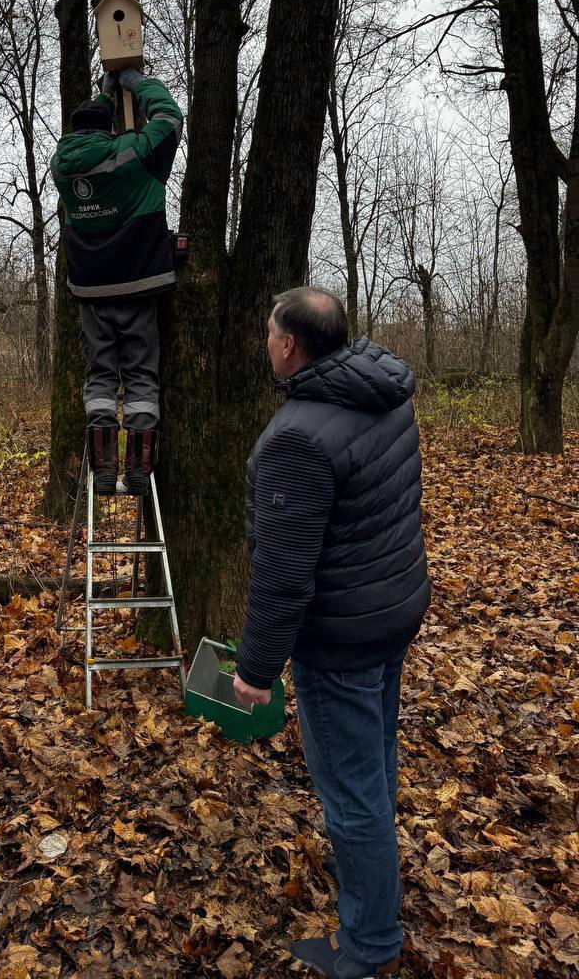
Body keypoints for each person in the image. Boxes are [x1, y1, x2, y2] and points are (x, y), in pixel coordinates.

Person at [232, 288, 431, 979]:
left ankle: (370, 943)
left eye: (268, 332)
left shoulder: (297, 437)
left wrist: (256, 670)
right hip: (389, 611)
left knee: (351, 795)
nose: (265, 342)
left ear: (289, 345)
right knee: (372, 768)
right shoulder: (385, 388)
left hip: (343, 637)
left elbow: (285, 574)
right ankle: (374, 897)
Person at [49, 66, 183, 496]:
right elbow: (169, 118)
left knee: (101, 376)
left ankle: (104, 465)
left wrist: (103, 98)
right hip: (139, 283)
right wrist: (134, 82)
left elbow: (90, 130)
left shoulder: (62, 167)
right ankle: (139, 466)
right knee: (142, 375)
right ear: (107, 126)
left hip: (91, 289)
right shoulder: (134, 153)